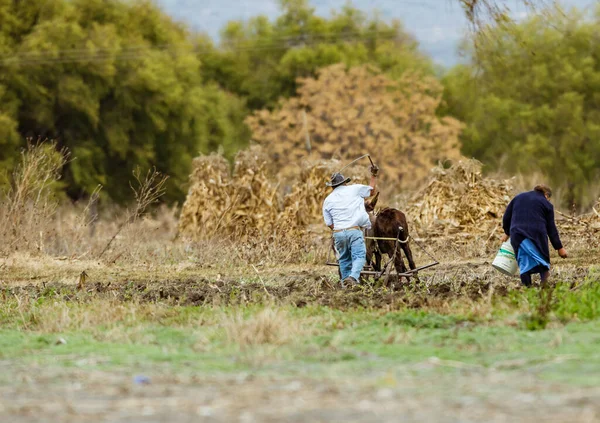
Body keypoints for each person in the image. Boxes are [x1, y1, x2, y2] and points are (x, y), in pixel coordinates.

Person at [322, 164, 379, 287]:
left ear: (332, 187)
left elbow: (329, 223)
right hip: (354, 230)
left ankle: (345, 283)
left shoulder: (327, 200)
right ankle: (353, 278)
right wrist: (373, 175)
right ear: (344, 183)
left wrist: (339, 230)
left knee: (343, 259)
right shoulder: (355, 189)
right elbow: (372, 191)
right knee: (359, 255)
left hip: (338, 233)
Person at [501, 184, 568, 287]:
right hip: (537, 235)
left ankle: (527, 289)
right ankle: (544, 287)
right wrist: (559, 247)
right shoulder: (546, 203)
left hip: (517, 234)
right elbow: (551, 228)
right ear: (546, 195)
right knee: (543, 261)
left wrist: (507, 232)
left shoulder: (518, 197)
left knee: (524, 263)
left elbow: (506, 217)